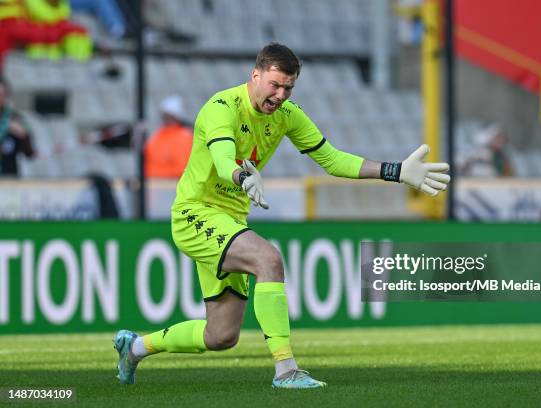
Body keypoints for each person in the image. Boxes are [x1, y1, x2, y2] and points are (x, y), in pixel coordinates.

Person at [113, 43, 450, 389]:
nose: (280, 95)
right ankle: (286, 370)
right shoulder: (221, 107)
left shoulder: (287, 114)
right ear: (255, 75)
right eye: (274, 85)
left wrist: (394, 171)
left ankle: (134, 347)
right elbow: (223, 158)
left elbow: (333, 160)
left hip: (231, 223)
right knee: (268, 260)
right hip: (195, 215)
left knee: (221, 335)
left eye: (288, 87)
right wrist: (243, 177)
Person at [144, 95, 193, 178]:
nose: (165, 118)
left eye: (169, 115)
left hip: (170, 185)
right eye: (164, 115)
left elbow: (181, 169)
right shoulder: (158, 135)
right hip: (152, 183)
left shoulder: (184, 137)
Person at [0, 77, 34, 176]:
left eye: (2, 95)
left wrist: (23, 136)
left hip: (8, 176)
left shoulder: (15, 118)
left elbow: (29, 154)